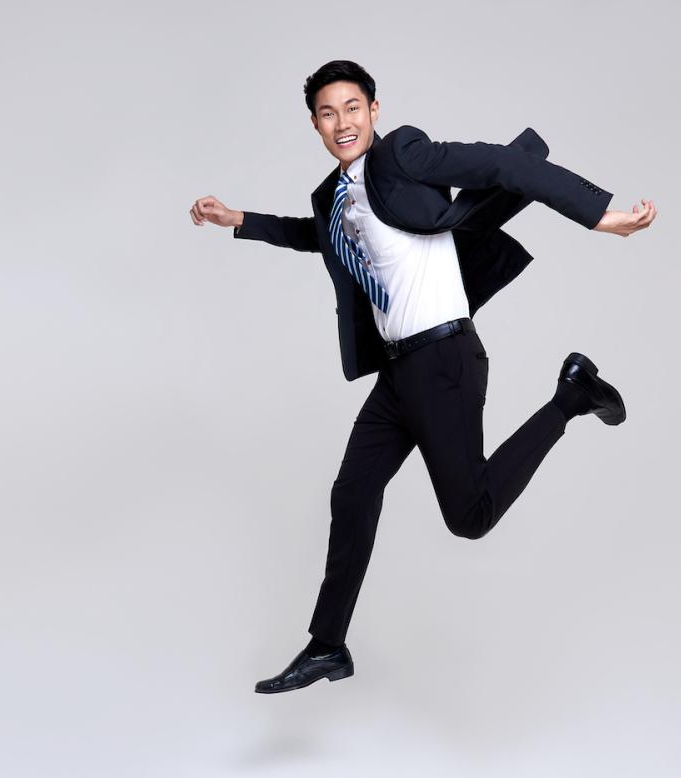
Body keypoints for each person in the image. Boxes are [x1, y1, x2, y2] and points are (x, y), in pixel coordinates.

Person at [189, 60, 656, 694]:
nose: (342, 122)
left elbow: (502, 165)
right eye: (328, 113)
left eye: (353, 108)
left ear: (374, 111)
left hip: (444, 359)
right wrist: (239, 219)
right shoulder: (332, 196)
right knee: (353, 493)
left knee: (470, 517)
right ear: (315, 125)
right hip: (398, 373)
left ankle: (570, 397)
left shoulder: (402, 155)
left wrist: (598, 214)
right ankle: (328, 646)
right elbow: (317, 237)